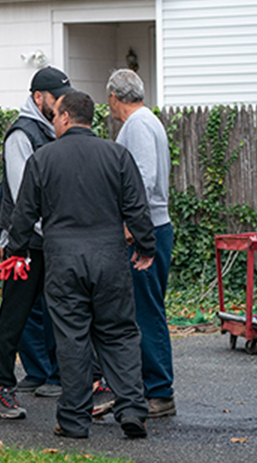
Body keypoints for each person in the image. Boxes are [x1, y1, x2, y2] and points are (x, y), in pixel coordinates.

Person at [6, 90, 155, 439]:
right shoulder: (117, 155)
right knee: (119, 333)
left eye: (55, 116)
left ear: (66, 118)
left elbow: (24, 213)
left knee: (71, 338)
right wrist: (146, 246)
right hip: (110, 259)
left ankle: (73, 420)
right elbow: (137, 207)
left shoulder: (43, 159)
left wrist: (17, 251)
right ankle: (132, 408)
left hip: (64, 261)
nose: (53, 121)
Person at [0, 66, 72, 420]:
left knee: (62, 313)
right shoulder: (21, 136)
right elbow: (24, 195)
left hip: (52, 239)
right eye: (56, 97)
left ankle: (64, 378)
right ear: (39, 97)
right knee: (15, 315)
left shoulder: (56, 130)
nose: (61, 104)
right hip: (25, 243)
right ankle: (2, 388)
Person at [107, 69, 176, 418]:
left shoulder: (136, 126)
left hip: (147, 231)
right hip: (156, 227)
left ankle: (160, 392)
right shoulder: (151, 122)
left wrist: (131, 228)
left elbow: (144, 179)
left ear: (114, 98)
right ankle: (148, 386)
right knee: (146, 310)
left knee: (146, 312)